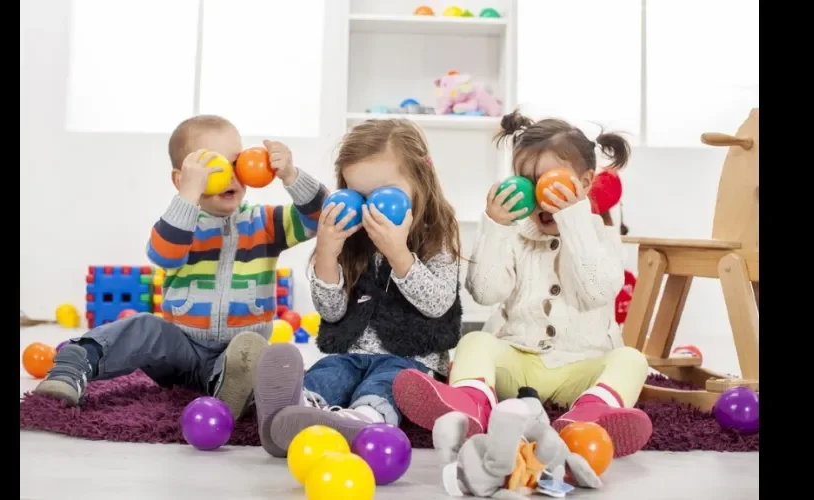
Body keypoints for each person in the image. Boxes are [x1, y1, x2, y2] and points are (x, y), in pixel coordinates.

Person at [33, 115, 328, 422]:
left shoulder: (265, 223)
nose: (229, 176)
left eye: (236, 163)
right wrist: (188, 197)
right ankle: (74, 364)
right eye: (214, 168)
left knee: (252, 352)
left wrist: (291, 175)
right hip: (180, 349)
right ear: (182, 179)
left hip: (232, 355)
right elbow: (164, 254)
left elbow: (321, 216)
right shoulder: (181, 224)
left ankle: (229, 390)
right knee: (144, 326)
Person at [393, 110, 652, 458]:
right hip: (518, 363)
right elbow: (485, 292)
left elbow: (596, 293)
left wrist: (573, 220)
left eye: (553, 182)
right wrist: (495, 227)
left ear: (586, 183)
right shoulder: (515, 234)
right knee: (475, 342)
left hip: (582, 366)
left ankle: (590, 414)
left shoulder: (600, 236)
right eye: (528, 182)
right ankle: (470, 405)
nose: (541, 196)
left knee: (632, 360)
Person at [252, 119, 463, 457]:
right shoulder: (350, 237)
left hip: (411, 358)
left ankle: (363, 419)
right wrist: (327, 253)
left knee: (388, 383)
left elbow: (438, 304)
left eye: (383, 195)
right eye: (357, 195)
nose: (368, 209)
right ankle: (294, 411)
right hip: (351, 354)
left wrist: (399, 255)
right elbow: (332, 312)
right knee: (329, 373)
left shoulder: (438, 234)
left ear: (420, 179)